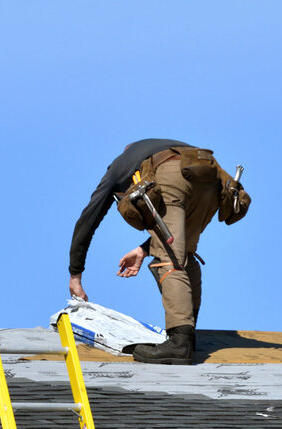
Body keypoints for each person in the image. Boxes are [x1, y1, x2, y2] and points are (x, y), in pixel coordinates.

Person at [68, 139, 240, 365]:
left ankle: (180, 343)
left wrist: (75, 274)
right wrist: (143, 249)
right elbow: (175, 236)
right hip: (212, 177)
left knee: (169, 260)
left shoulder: (119, 167)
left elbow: (89, 217)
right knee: (184, 252)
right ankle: (189, 335)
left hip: (174, 173)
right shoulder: (164, 147)